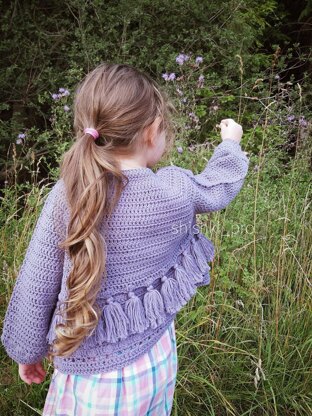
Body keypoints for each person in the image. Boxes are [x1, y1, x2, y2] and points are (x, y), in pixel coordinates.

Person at [1, 62, 249, 415]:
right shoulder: (172, 189)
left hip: (89, 377)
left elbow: (37, 281)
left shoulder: (68, 194)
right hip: (155, 361)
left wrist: (28, 352)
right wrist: (230, 144)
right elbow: (218, 186)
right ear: (151, 132)